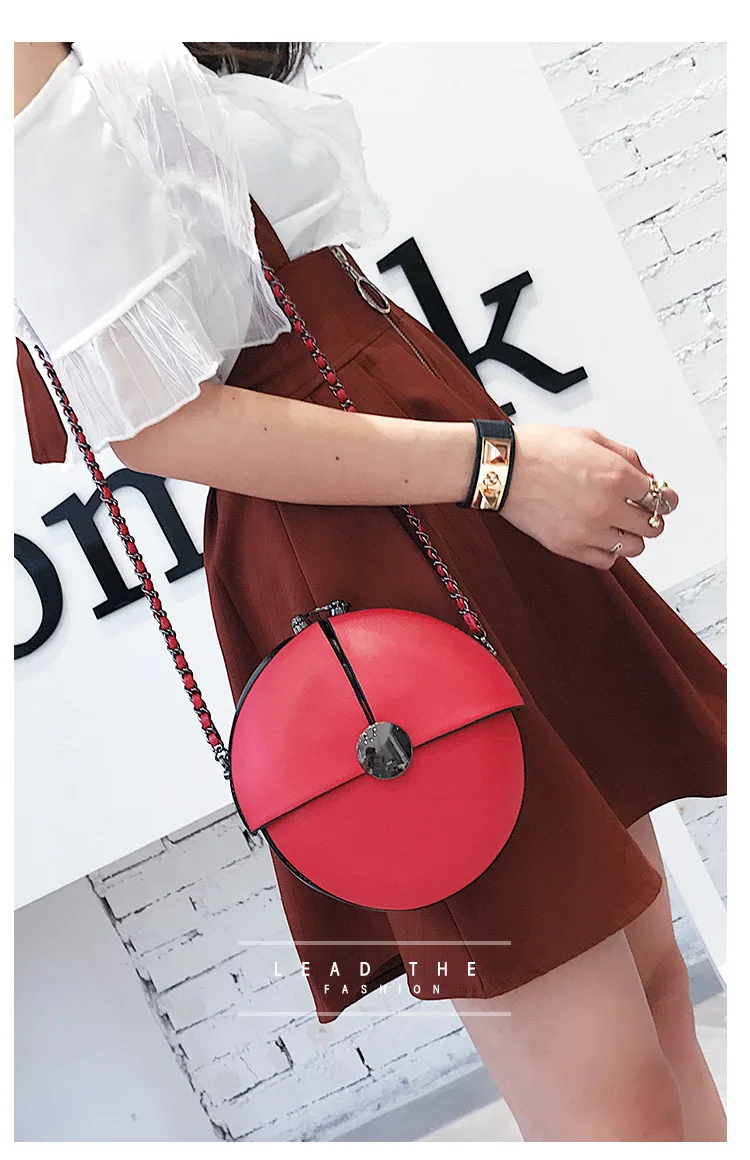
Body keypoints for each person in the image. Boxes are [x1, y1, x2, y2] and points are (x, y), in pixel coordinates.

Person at [14, 41, 726, 1143]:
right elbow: (158, 420)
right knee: (607, 1095)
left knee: (655, 990)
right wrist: (499, 469)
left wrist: (493, 467)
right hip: (363, 542)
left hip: (430, 483)